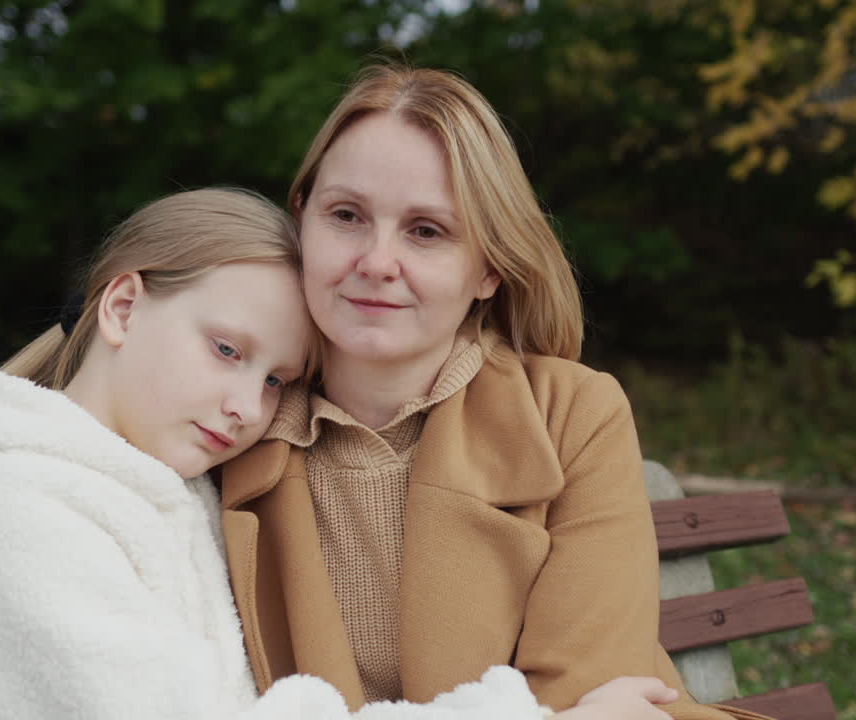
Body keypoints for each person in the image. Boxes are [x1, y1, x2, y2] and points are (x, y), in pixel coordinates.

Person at [0, 187, 679, 720]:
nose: (249, 407)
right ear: (124, 307)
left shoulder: (170, 499)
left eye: (281, 378)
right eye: (226, 351)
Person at [218, 67, 768, 720]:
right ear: (302, 219)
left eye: (426, 231)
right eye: (347, 216)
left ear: (487, 268)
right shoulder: (230, 421)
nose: (376, 261)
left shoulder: (571, 414)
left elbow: (586, 698)